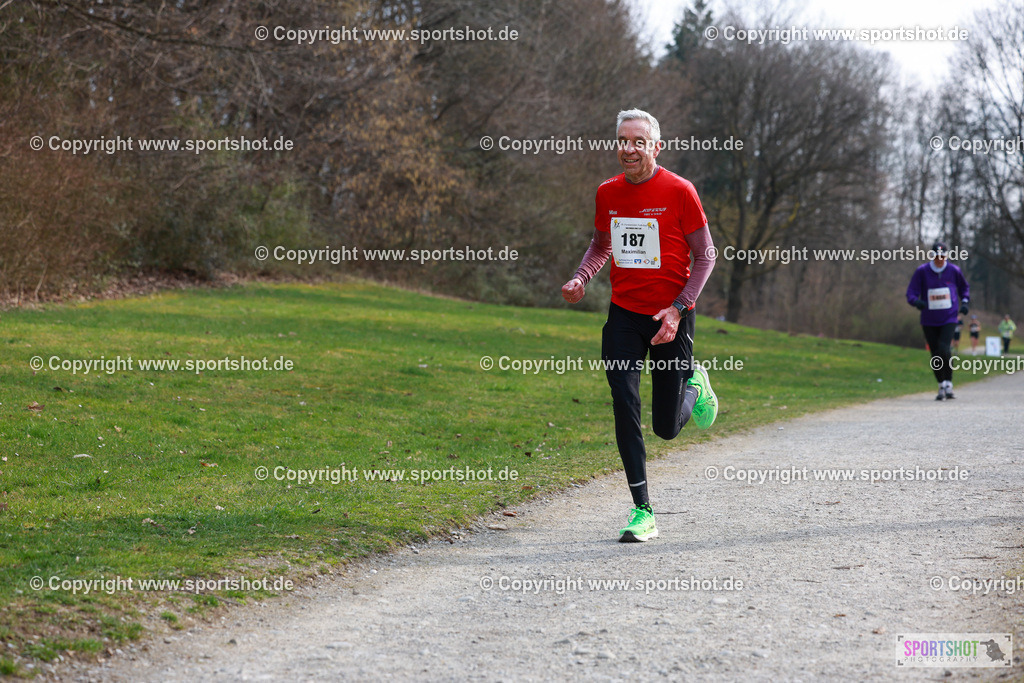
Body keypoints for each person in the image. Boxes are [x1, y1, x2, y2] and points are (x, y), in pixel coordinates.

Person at [561, 109, 718, 542]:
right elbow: (601, 246)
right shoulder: (607, 192)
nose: (628, 149)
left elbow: (706, 256)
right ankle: (642, 510)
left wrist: (679, 308)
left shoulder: (680, 191)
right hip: (625, 316)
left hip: (671, 316)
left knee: (665, 428)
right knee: (624, 399)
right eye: (622, 141)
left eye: (638, 141)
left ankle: (694, 385)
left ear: (656, 147)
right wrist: (581, 277)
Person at [906, 241, 969, 400]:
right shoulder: (922, 271)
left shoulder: (954, 271)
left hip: (949, 317)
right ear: (932, 256)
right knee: (935, 353)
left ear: (946, 256)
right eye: (936, 256)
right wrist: (916, 302)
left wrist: (965, 302)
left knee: (944, 349)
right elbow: (911, 292)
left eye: (942, 256)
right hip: (929, 319)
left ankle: (949, 383)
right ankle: (941, 384)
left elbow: (964, 288)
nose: (939, 259)